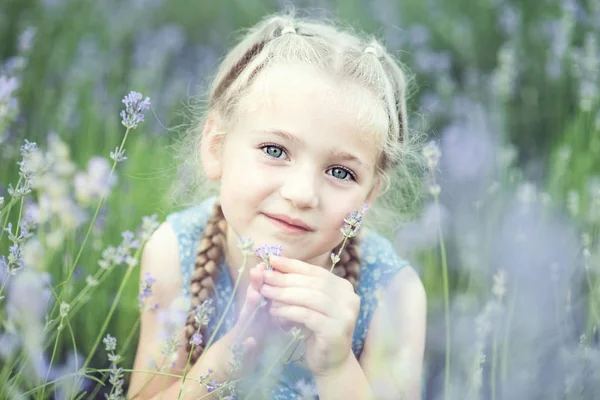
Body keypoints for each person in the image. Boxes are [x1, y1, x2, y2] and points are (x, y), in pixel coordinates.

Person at [128, 10, 426, 400]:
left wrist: (336, 366)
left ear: (369, 195)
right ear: (216, 147)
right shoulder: (173, 253)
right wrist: (232, 355)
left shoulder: (393, 293)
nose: (302, 194)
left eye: (340, 172)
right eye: (275, 150)